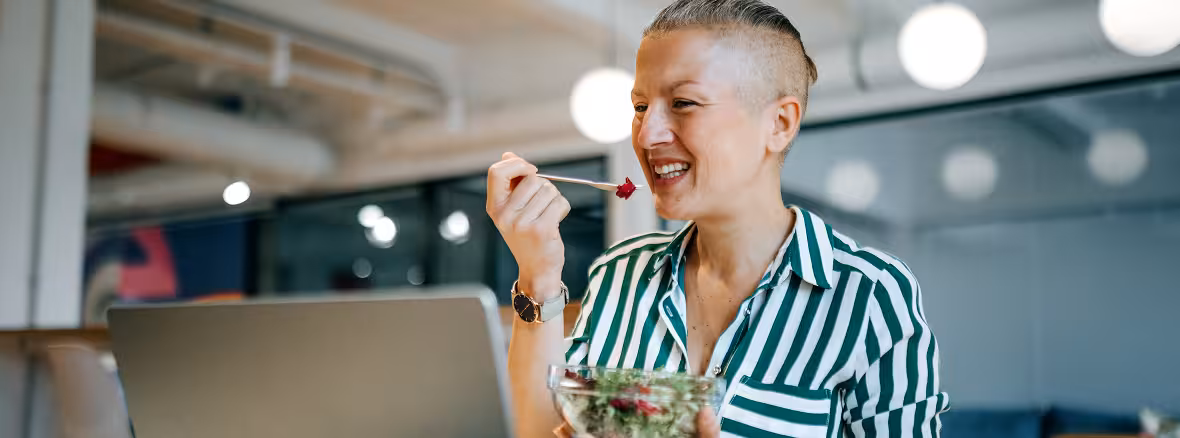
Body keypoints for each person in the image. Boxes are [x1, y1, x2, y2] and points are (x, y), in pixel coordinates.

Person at [485, 0, 949, 436]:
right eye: (640, 107)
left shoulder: (869, 295)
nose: (647, 135)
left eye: (684, 103)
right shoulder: (618, 273)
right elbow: (539, 429)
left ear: (780, 124)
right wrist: (539, 275)